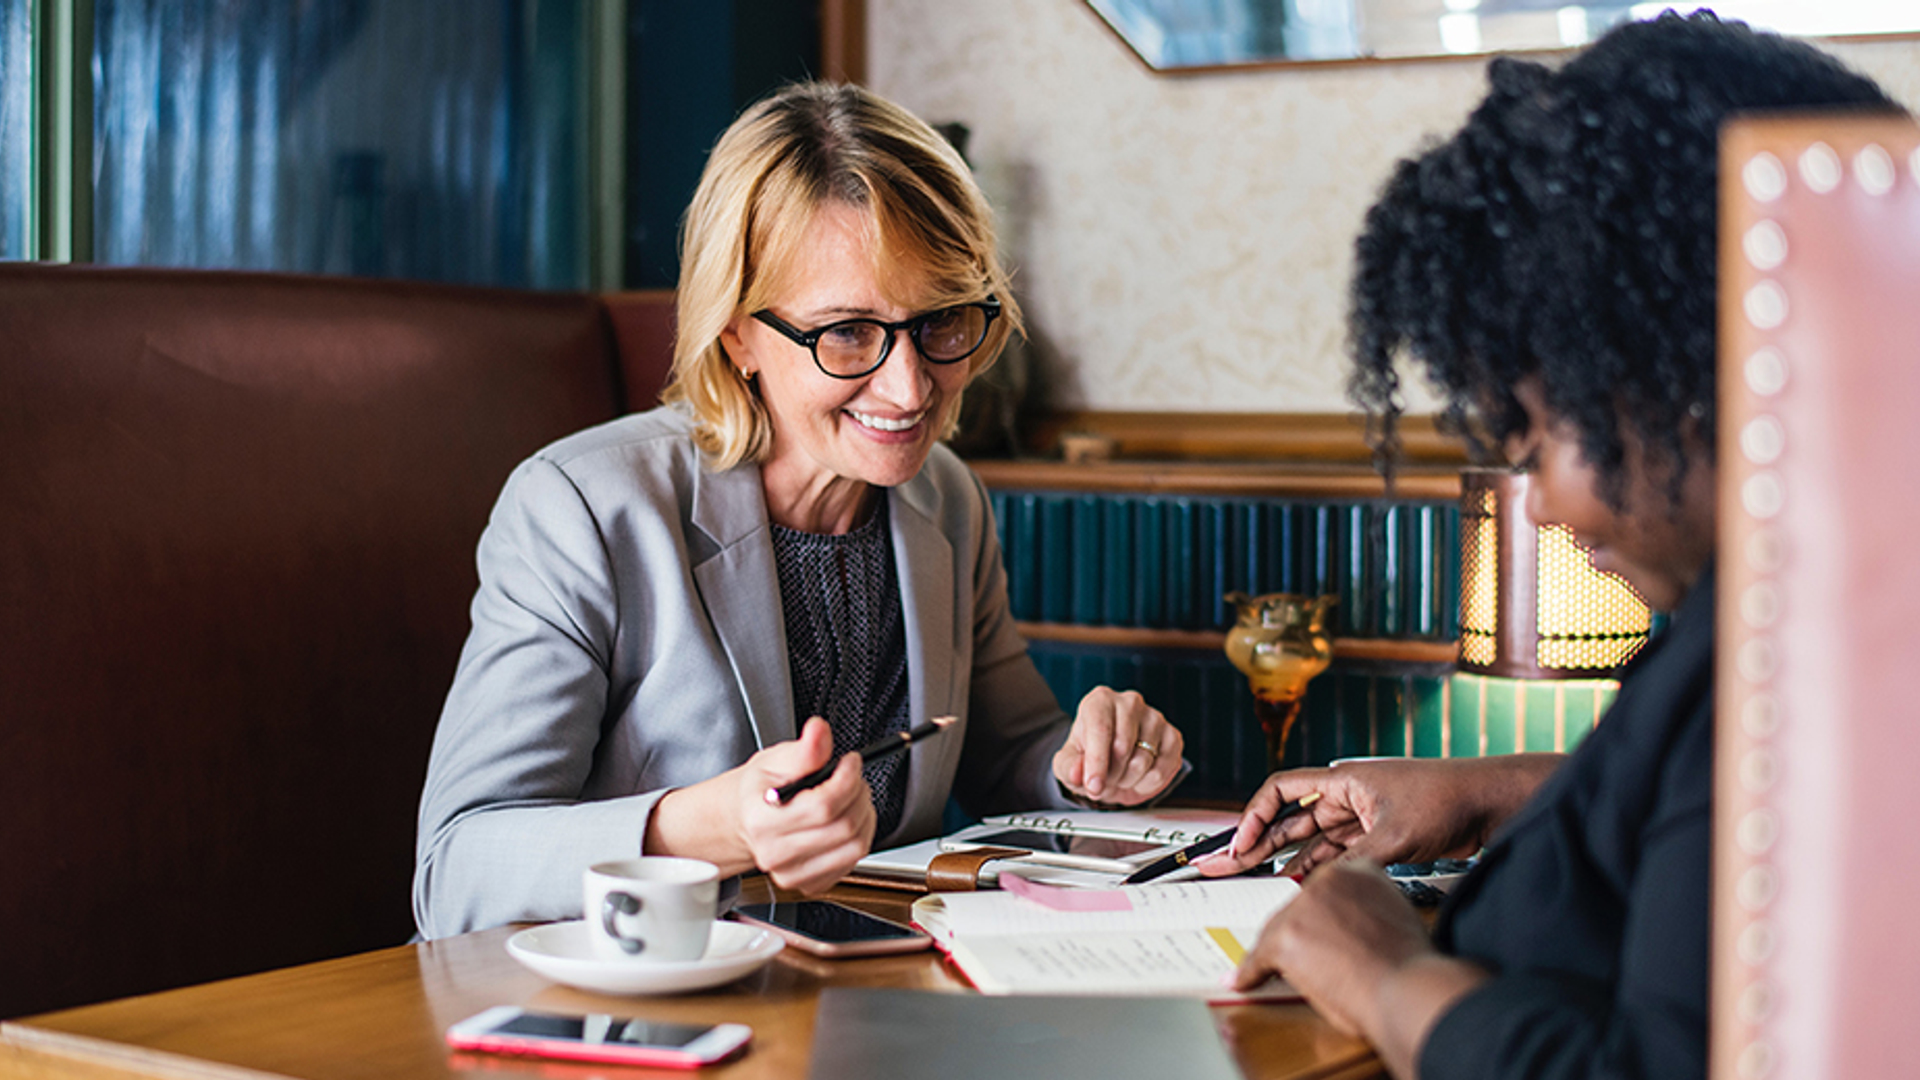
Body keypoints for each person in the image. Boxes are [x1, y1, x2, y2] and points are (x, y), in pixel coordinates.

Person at [1195, 14, 1902, 1080]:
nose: (1537, 508)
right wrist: (1492, 789)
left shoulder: (1794, 662)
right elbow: (1710, 822)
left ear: (1684, 374)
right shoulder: (1794, 611)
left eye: (1533, 436)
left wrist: (1386, 975)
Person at [414, 82, 1185, 939]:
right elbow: (456, 870)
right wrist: (712, 831)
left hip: (875, 1011)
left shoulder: (946, 499)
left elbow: (1011, 753)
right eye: (847, 332)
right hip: (634, 1027)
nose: (910, 387)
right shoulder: (584, 508)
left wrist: (1091, 763)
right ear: (737, 333)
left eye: (942, 321)